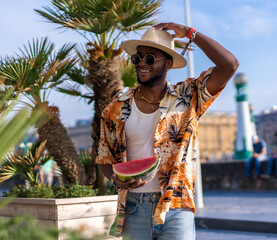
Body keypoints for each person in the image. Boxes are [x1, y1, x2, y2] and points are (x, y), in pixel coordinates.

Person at [96, 22, 239, 240]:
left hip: (177, 204)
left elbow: (229, 65)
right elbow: (105, 160)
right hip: (133, 207)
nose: (142, 63)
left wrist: (192, 34)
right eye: (138, 58)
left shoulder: (189, 96)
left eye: (150, 58)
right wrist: (118, 180)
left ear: (169, 64)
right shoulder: (114, 109)